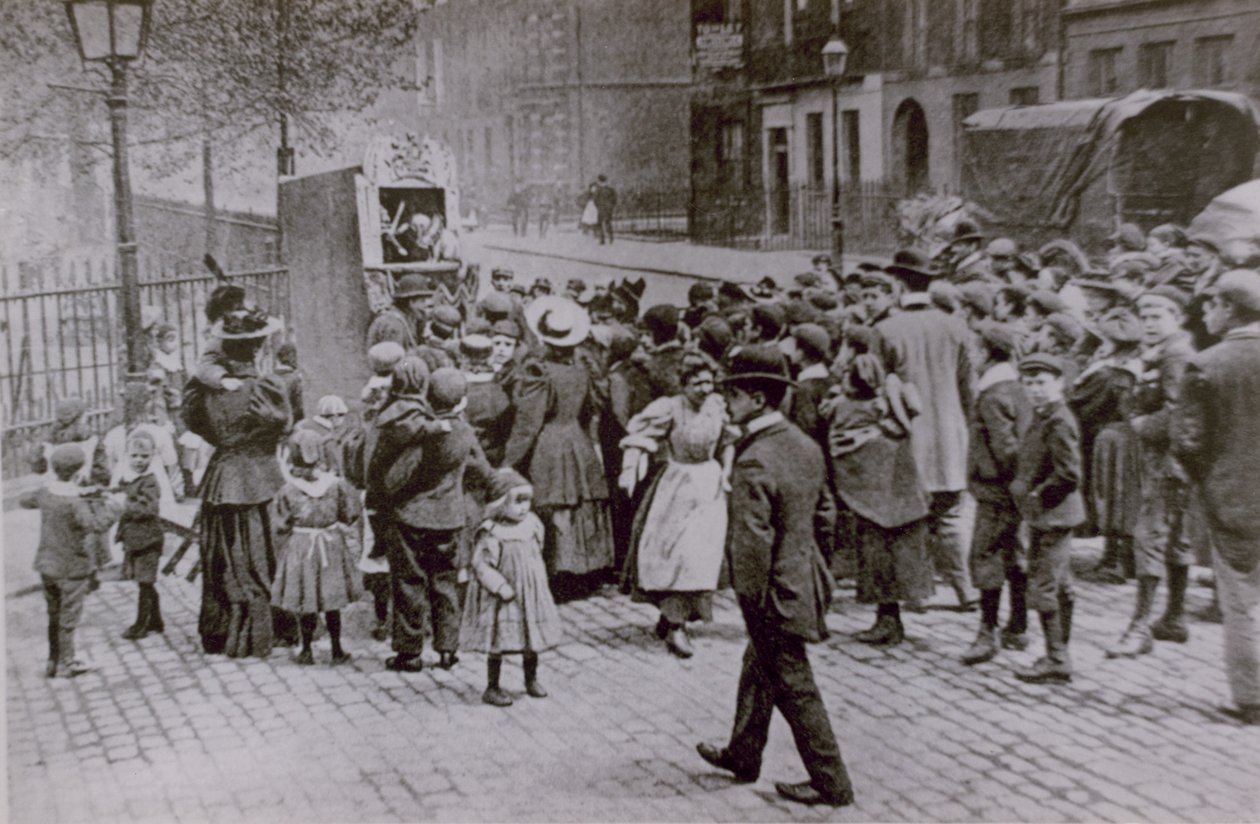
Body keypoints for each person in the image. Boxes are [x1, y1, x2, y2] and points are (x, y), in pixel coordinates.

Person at [696, 344, 853, 807]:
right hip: (803, 577)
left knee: (792, 680)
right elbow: (826, 515)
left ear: (758, 400)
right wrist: (808, 565)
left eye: (735, 394)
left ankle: (831, 782)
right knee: (759, 666)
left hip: (772, 591)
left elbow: (751, 545)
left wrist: (750, 598)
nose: (727, 400)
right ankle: (743, 753)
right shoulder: (803, 444)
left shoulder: (754, 460)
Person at [1171, 269, 1260, 726]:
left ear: (1229, 308)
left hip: (1234, 500)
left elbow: (1189, 440)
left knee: (1240, 602)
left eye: (1211, 305)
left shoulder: (1208, 364)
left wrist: (1196, 477)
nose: (1206, 314)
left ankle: (1250, 697)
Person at [183, 307, 292, 658]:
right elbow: (284, 424)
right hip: (263, 476)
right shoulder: (267, 386)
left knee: (224, 556)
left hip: (222, 477)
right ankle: (275, 628)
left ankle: (224, 630)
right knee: (266, 552)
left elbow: (193, 422)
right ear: (259, 346)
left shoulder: (204, 391)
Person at [876, 250, 978, 610]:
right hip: (952, 438)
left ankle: (916, 593)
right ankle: (966, 591)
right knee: (950, 517)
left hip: (907, 439)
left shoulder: (886, 329)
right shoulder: (956, 326)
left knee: (910, 519)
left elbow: (880, 392)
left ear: (898, 284)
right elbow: (970, 389)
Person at [619, 356, 735, 658]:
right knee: (675, 553)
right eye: (696, 383)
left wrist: (726, 472)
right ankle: (675, 624)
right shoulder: (669, 408)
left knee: (700, 557)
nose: (704, 388)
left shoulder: (717, 406)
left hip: (709, 486)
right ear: (683, 384)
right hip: (678, 486)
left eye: (708, 382)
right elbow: (640, 437)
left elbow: (728, 441)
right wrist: (630, 468)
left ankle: (674, 620)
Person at [503, 297, 614, 593]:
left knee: (555, 504)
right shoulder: (582, 368)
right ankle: (586, 572)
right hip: (577, 438)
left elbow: (528, 423)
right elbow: (592, 409)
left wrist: (508, 461)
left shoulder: (540, 372)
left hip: (550, 442)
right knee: (580, 502)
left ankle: (560, 573)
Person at [1107, 286, 1196, 657]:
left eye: (1158, 316)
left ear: (1178, 317)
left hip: (1167, 461)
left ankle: (1139, 625)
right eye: (1144, 317)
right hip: (1173, 461)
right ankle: (1173, 617)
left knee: (1149, 537)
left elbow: (1178, 411)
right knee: (1175, 538)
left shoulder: (1175, 355)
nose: (1150, 324)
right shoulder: (1162, 351)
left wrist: (1143, 424)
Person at [824, 350, 931, 647]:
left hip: (873, 505)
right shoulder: (888, 410)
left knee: (877, 561)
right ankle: (891, 618)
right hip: (901, 499)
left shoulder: (847, 410)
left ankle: (887, 621)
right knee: (893, 559)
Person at [960, 323, 1032, 664]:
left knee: (986, 555)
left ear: (988, 353)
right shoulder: (1017, 388)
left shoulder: (993, 396)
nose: (972, 356)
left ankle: (987, 632)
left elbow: (1007, 449)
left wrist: (1003, 480)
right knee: (1015, 554)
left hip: (996, 492)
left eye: (975, 350)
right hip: (1014, 492)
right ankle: (1018, 625)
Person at [460, 469, 564, 706]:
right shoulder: (492, 532)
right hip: (504, 596)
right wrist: (499, 585)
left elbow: (540, 548)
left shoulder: (533, 524)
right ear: (500, 503)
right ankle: (493, 686)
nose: (524, 507)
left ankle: (531, 679)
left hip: (530, 591)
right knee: (499, 640)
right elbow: (481, 564)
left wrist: (536, 576)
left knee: (530, 637)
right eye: (517, 501)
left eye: (527, 500)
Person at [1011, 353, 1085, 684]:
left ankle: (1057, 657)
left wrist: (1037, 497)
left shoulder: (1058, 420)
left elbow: (1069, 474)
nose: (1035, 390)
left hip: (1053, 515)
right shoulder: (1045, 415)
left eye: (1042, 383)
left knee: (1043, 586)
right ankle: (1060, 650)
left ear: (1059, 382)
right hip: (1049, 516)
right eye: (1029, 383)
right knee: (1061, 584)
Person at [21, 445, 121, 678]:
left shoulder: (46, 494)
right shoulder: (75, 503)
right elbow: (95, 525)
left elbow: (26, 500)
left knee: (53, 613)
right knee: (69, 617)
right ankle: (67, 662)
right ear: (77, 473)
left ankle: (52, 660)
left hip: (47, 565)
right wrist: (114, 509)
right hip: (72, 568)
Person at [271, 429, 363, 666]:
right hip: (331, 543)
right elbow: (350, 515)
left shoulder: (289, 489)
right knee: (332, 601)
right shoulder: (336, 485)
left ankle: (306, 650)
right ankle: (336, 648)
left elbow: (280, 524)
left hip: (301, 546)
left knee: (306, 598)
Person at [116, 431, 167, 641]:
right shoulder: (129, 478)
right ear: (127, 455)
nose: (139, 460)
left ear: (152, 456)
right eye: (134, 455)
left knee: (145, 581)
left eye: (144, 456)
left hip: (148, 540)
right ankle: (156, 619)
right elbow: (119, 492)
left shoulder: (150, 482)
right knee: (144, 581)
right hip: (135, 539)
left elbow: (148, 509)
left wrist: (123, 503)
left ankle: (141, 624)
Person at [367, 273, 429, 351]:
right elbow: (393, 358)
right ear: (411, 302)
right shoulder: (392, 323)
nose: (425, 305)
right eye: (422, 301)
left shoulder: (408, 317)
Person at [274, 342, 305, 424]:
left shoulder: (268, 377)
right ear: (292, 357)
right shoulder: (295, 379)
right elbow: (299, 408)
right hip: (290, 425)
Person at [594, 174, 617, 245]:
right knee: (608, 222)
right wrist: (611, 206)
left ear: (599, 181)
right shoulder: (611, 189)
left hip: (601, 208)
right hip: (609, 209)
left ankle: (602, 239)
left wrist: (598, 206)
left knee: (599, 224)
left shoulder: (598, 190)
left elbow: (595, 200)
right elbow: (615, 199)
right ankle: (611, 237)